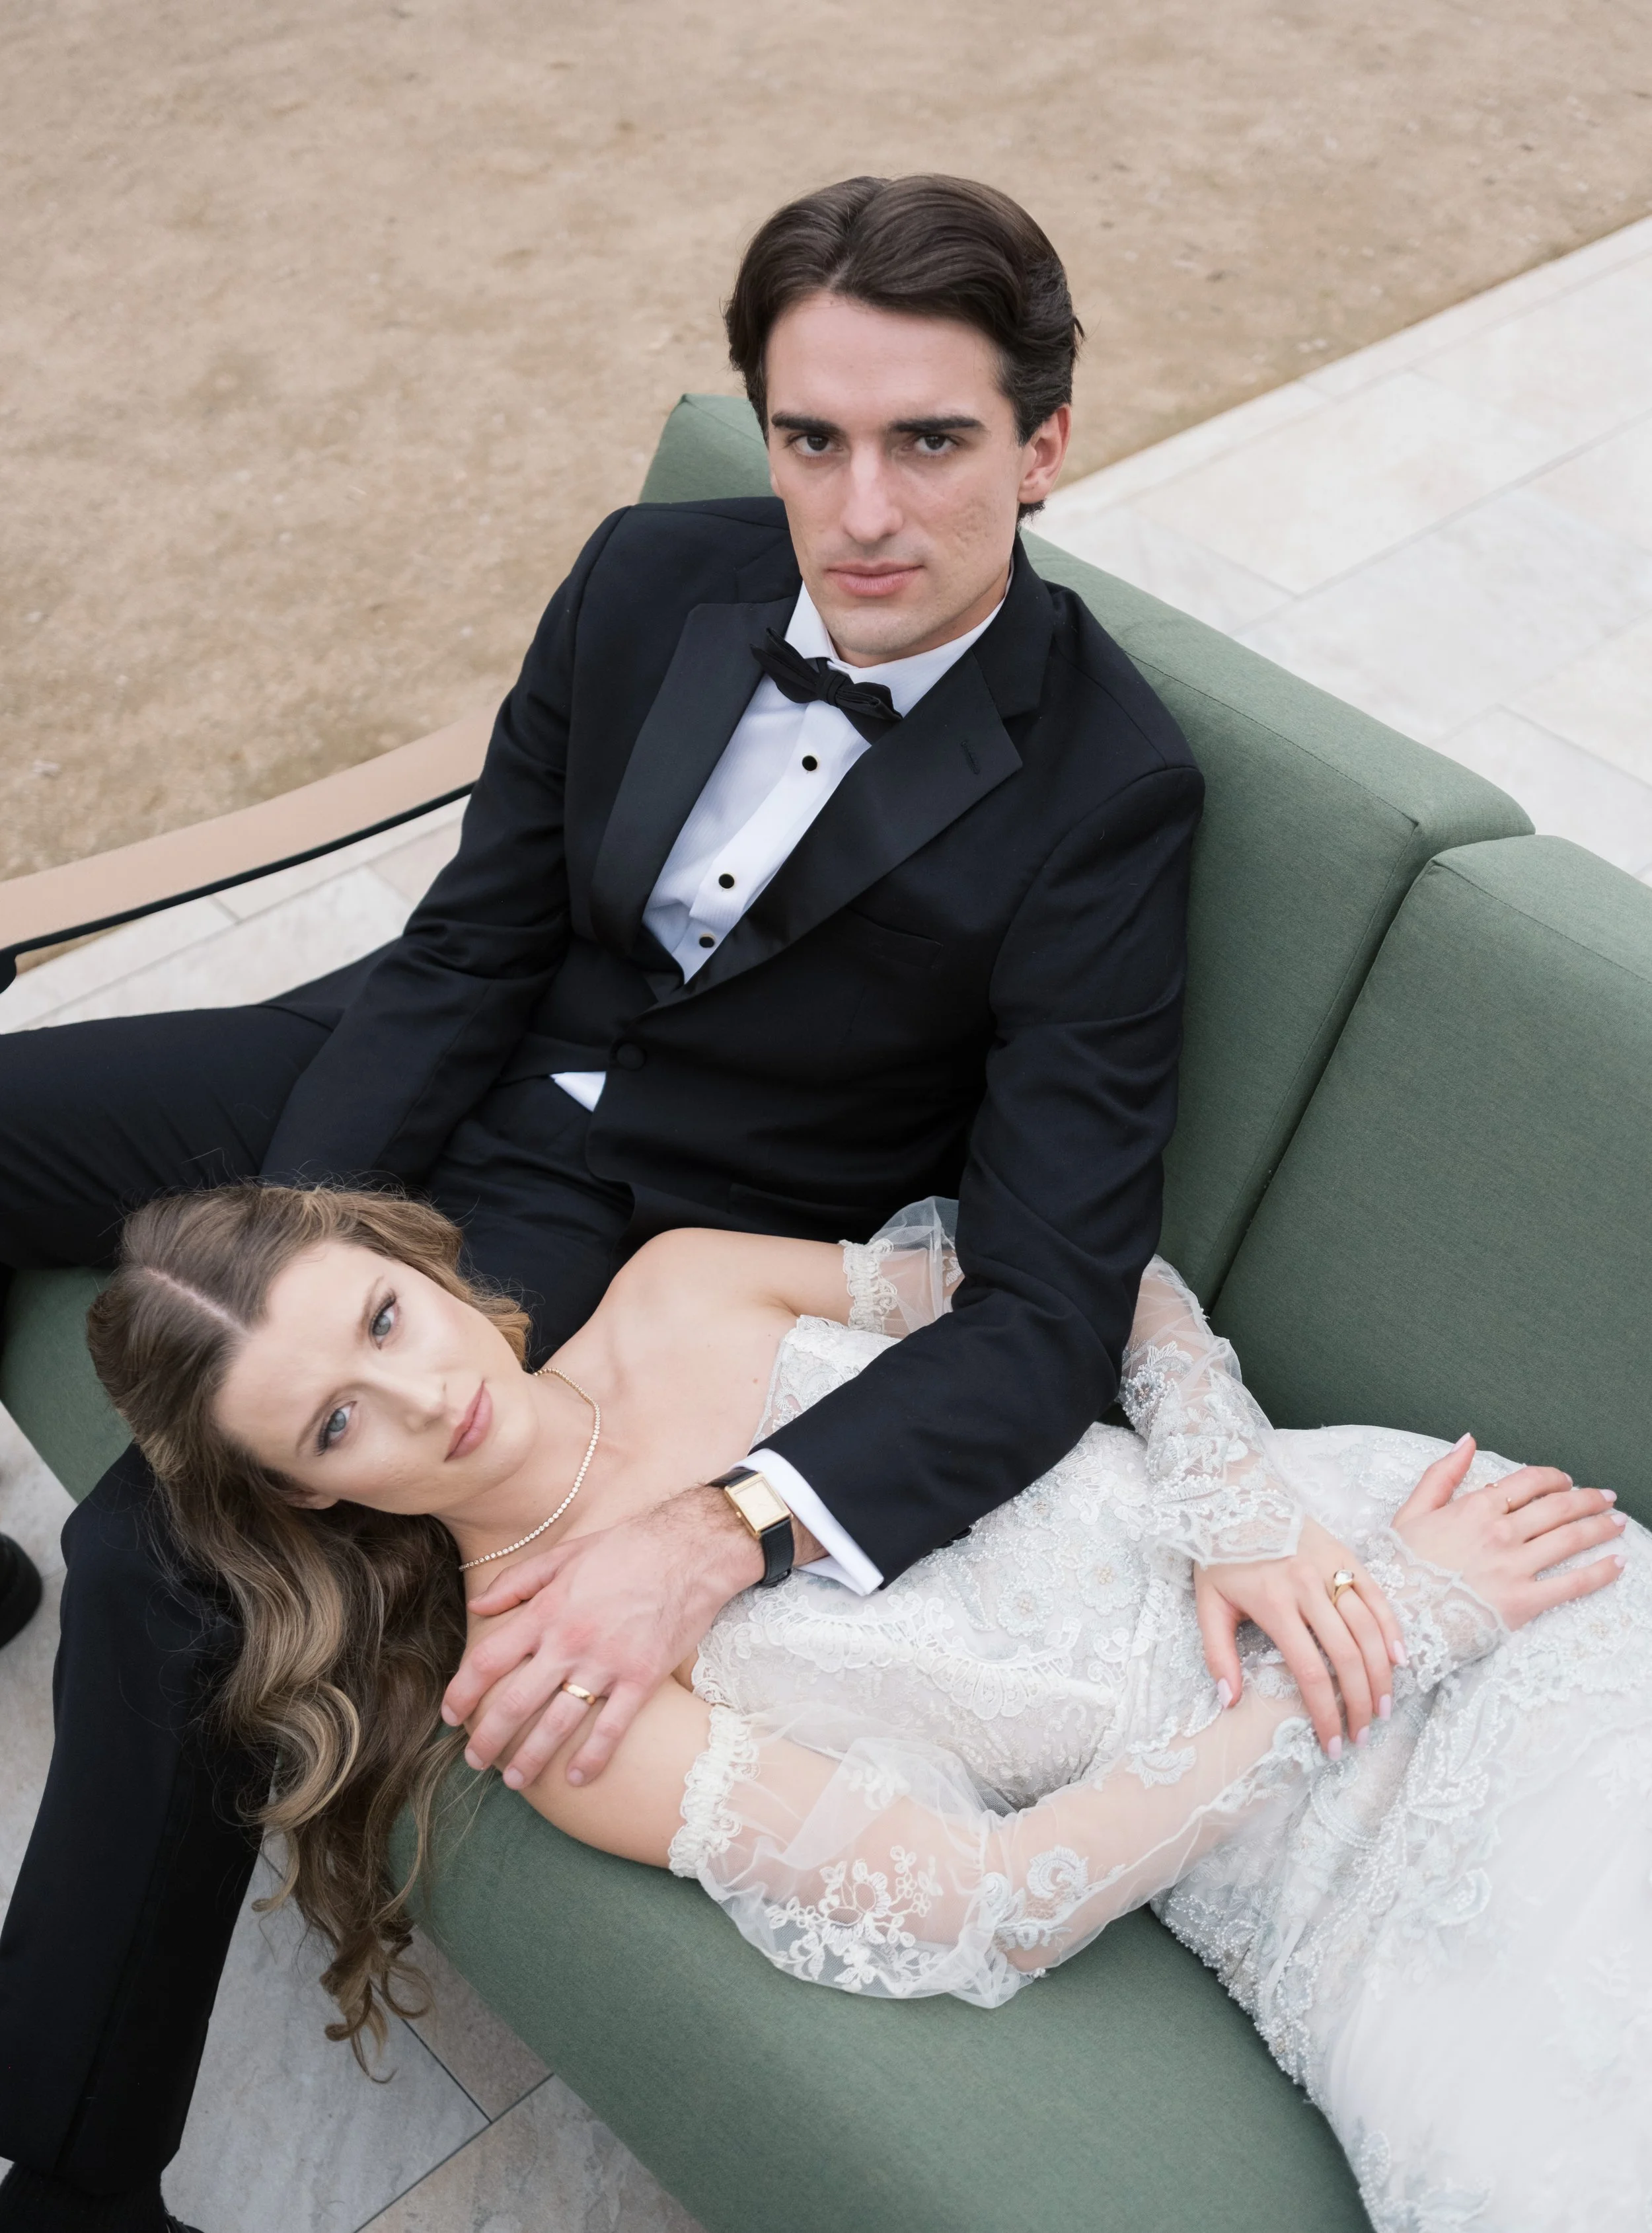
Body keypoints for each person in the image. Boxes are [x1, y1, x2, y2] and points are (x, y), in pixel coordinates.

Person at [0, 173, 1367, 2230]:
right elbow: (470, 935)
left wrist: (726, 1534)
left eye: (931, 441)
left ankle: (58, 2176)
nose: (862, 512)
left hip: (628, 1229)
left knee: (170, 1565)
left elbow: (1052, 1290)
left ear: (1045, 445)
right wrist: (327, 1247)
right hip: (411, 1062)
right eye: (812, 438)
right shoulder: (649, 577)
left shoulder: (1107, 793)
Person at [85, 1182, 1647, 2229]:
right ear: (304, 1492)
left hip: (1377, 1537)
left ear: (412, 1258)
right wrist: (1400, 1630)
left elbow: (1086, 1278)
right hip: (1307, 1839)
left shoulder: (684, 1287)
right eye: (342, 1421)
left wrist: (1244, 1500)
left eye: (378, 1320)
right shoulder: (559, 1694)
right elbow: (986, 1904)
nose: (424, 1395)